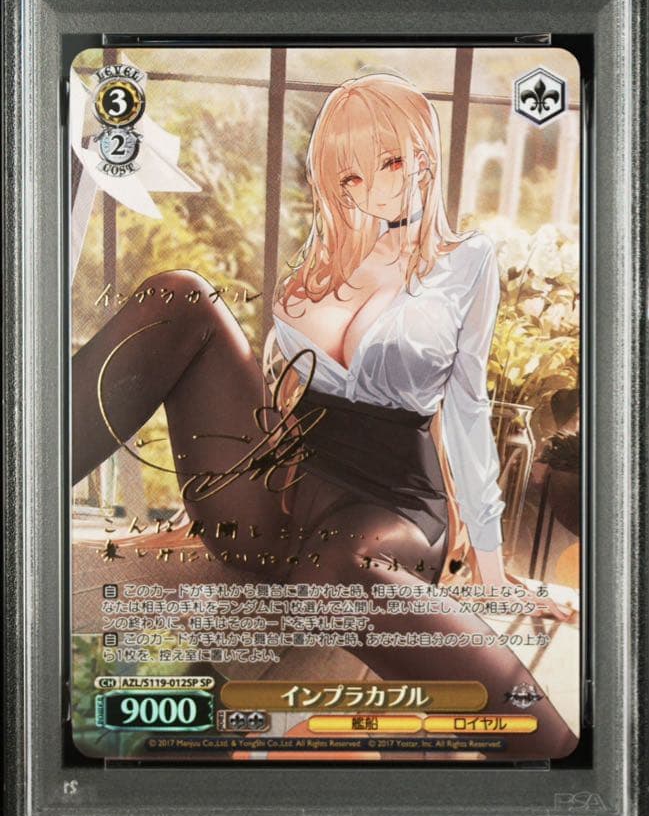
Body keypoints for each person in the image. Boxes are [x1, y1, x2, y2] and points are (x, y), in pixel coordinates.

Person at [72, 72, 577, 759]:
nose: (379, 186)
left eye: (395, 159)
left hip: (390, 504)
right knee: (180, 294)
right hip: (285, 487)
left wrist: (489, 570)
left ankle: (557, 758)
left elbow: (464, 407)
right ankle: (24, 490)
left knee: (331, 567)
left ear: (424, 155)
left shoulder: (466, 263)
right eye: (355, 173)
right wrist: (213, 489)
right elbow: (284, 390)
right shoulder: (325, 259)